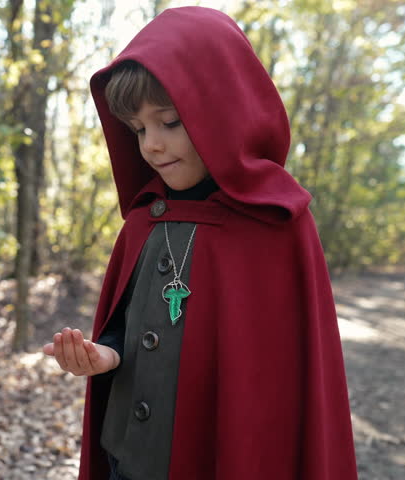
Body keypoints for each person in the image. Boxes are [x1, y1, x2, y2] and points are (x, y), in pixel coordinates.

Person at [41, 6, 358, 480]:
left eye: (169, 122)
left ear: (224, 111)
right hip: (127, 462)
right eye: (139, 129)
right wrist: (106, 353)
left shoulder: (278, 224)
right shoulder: (142, 225)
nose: (151, 145)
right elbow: (127, 321)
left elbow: (290, 387)